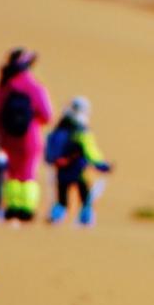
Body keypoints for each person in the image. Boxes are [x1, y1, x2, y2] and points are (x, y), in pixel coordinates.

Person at [0, 49, 53, 222]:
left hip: (8, 139)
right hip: (30, 137)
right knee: (28, 173)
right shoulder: (34, 87)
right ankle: (26, 208)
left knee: (12, 174)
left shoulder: (3, 88)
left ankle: (12, 207)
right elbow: (46, 115)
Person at [45, 97, 113, 226]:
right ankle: (85, 220)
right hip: (79, 171)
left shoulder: (58, 130)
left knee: (61, 199)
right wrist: (102, 166)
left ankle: (55, 218)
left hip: (62, 172)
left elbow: (50, 152)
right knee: (85, 199)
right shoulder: (81, 132)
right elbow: (91, 152)